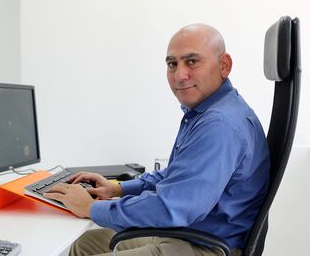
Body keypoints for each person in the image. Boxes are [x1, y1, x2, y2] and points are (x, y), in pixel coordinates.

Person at [44, 23, 270, 256]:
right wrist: (116, 189)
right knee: (86, 244)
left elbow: (171, 207)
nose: (180, 75)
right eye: (172, 64)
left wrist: (91, 207)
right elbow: (176, 177)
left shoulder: (220, 124)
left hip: (208, 247)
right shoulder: (206, 112)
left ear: (224, 65)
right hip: (189, 233)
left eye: (192, 61)